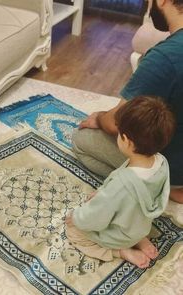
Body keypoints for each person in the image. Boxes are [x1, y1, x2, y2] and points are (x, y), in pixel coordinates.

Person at [72, 0, 183, 203]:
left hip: (173, 167)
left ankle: (160, 187)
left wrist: (98, 118)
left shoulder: (164, 57)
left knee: (81, 139)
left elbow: (117, 124)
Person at [66, 96, 176, 268]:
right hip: (139, 225)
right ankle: (140, 239)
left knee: (75, 233)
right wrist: (105, 194)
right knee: (124, 209)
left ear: (126, 141)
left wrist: (77, 217)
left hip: (120, 235)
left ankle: (121, 251)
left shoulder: (121, 185)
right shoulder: (161, 162)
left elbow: (96, 217)